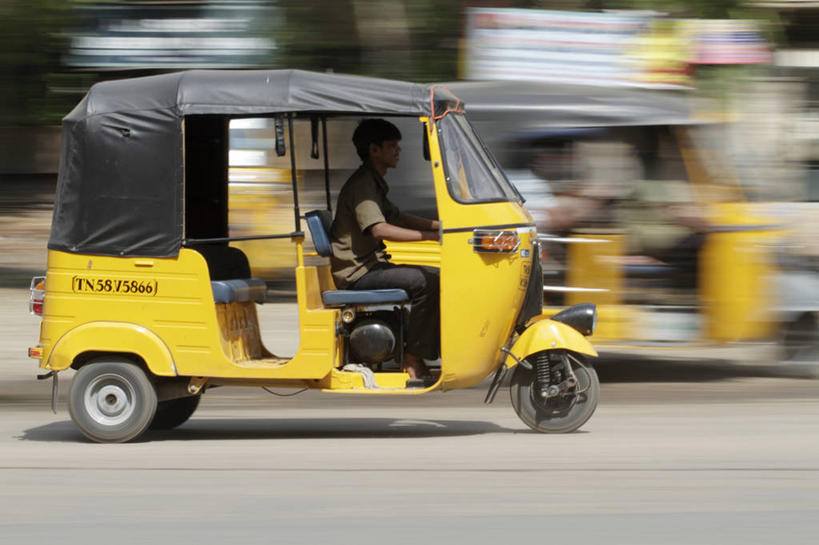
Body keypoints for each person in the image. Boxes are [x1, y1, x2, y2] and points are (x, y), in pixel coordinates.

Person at [329, 119, 440, 381]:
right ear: (374, 150)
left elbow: (399, 217)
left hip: (371, 267)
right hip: (358, 274)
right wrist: (432, 236)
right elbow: (380, 229)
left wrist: (444, 225)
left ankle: (420, 351)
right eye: (392, 146)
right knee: (428, 282)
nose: (398, 151)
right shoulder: (363, 185)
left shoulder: (373, 182)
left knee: (433, 277)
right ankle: (413, 359)